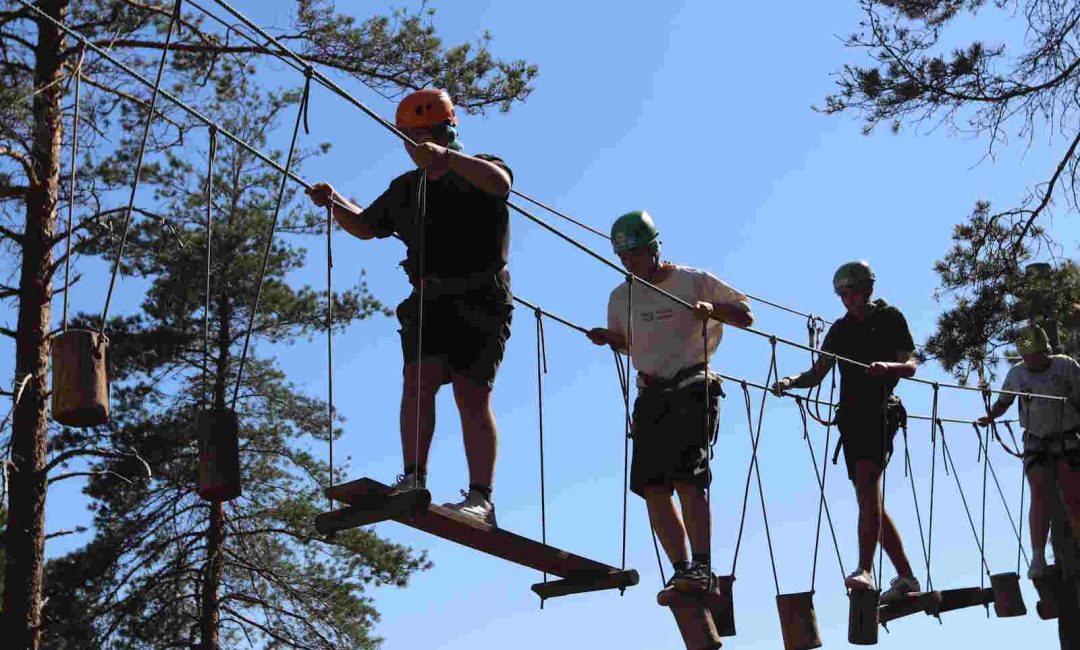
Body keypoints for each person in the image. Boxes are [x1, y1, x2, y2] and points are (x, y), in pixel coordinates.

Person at [306, 88, 513, 526]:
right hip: (430, 300)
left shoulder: (479, 170)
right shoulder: (406, 188)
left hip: (482, 300)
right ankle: (414, 477)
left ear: (446, 132)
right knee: (418, 382)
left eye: (421, 137)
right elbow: (365, 226)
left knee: (470, 393)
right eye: (408, 138)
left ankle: (481, 498)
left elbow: (501, 184)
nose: (413, 147)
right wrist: (336, 202)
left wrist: (447, 158)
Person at [586, 210, 754, 592]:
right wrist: (611, 339)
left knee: (687, 478)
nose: (629, 263)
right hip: (651, 392)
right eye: (623, 257)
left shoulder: (693, 281)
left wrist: (713, 309)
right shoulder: (620, 297)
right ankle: (681, 569)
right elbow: (630, 344)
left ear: (654, 248)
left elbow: (746, 315)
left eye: (635, 254)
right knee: (652, 486)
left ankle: (703, 566)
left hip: (692, 385)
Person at [771, 261, 920, 603]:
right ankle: (906, 576)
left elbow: (910, 365)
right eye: (843, 296)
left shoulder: (890, 318)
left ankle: (865, 569)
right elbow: (818, 372)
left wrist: (889, 368)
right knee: (869, 501)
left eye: (853, 293)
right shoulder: (839, 330)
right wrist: (790, 382)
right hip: (851, 420)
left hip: (880, 414)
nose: (849, 300)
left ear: (868, 289)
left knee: (867, 489)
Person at [977, 324, 1080, 579]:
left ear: (1046, 351)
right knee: (1039, 494)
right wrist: (990, 417)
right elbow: (1004, 401)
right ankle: (1038, 556)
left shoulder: (1065, 366)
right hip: (1036, 442)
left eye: (1037, 356)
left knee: (1073, 497)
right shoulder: (1017, 374)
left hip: (1067, 440)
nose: (1033, 361)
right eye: (1028, 357)